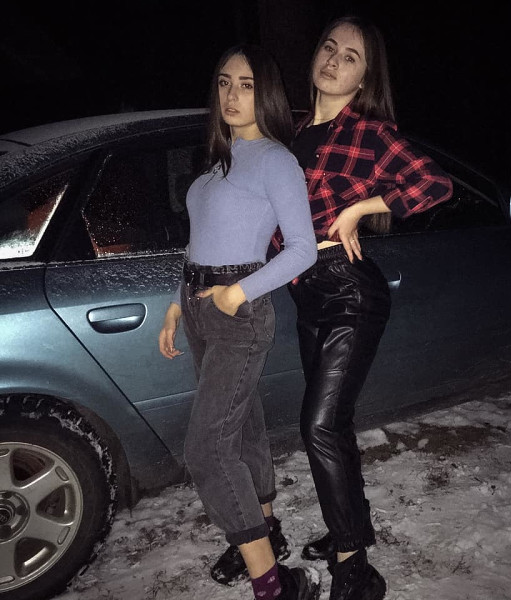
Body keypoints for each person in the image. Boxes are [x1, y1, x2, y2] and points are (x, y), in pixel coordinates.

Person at [284, 15, 454, 600]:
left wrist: (361, 209)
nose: (333, 60)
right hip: (306, 292)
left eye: (350, 56)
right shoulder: (292, 132)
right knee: (335, 426)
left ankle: (355, 569)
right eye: (328, 47)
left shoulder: (370, 133)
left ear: (363, 78)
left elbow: (434, 185)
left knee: (319, 426)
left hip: (350, 291)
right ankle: (349, 529)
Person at [158, 44, 319, 600]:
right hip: (198, 302)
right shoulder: (217, 163)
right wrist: (176, 303)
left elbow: (303, 250)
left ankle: (274, 586)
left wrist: (236, 293)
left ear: (266, 92)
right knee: (244, 428)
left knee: (206, 449)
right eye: (225, 82)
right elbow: (197, 241)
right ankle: (266, 530)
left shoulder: (275, 159)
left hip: (238, 311)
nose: (231, 94)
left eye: (246, 85)